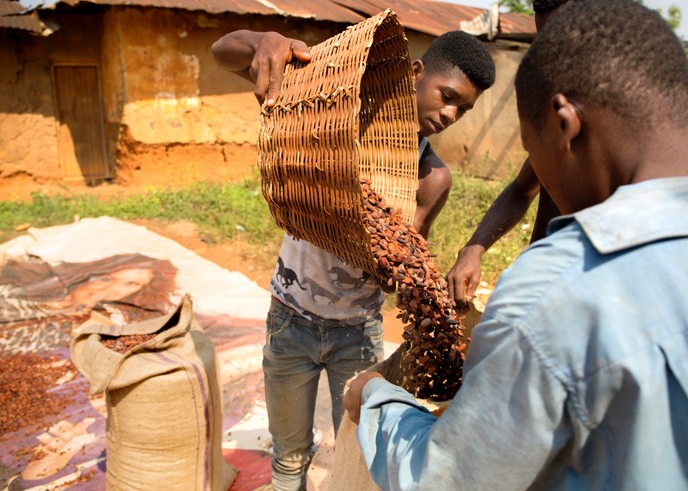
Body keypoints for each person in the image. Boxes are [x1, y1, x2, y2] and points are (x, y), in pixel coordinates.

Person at [342, 0, 688, 490]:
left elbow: (444, 480)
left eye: (532, 148)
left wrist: (379, 401)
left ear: (564, 126)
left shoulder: (551, 295)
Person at [211, 27, 496, 490]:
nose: (450, 114)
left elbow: (398, 264)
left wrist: (411, 281)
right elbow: (221, 51)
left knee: (357, 450)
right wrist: (263, 41)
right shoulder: (337, 117)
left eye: (462, 109)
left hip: (357, 331)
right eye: (447, 97)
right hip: (291, 318)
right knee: (289, 454)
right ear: (415, 73)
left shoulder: (432, 178)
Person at [446, 0, 688, 305]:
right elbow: (521, 189)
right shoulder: (564, 125)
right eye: (544, 44)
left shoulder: (686, 154)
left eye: (563, 42)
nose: (551, 59)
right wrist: (474, 248)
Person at [0, 253, 177, 354]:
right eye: (106, 278)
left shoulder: (106, 318)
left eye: (132, 284)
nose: (113, 290)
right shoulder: (22, 289)